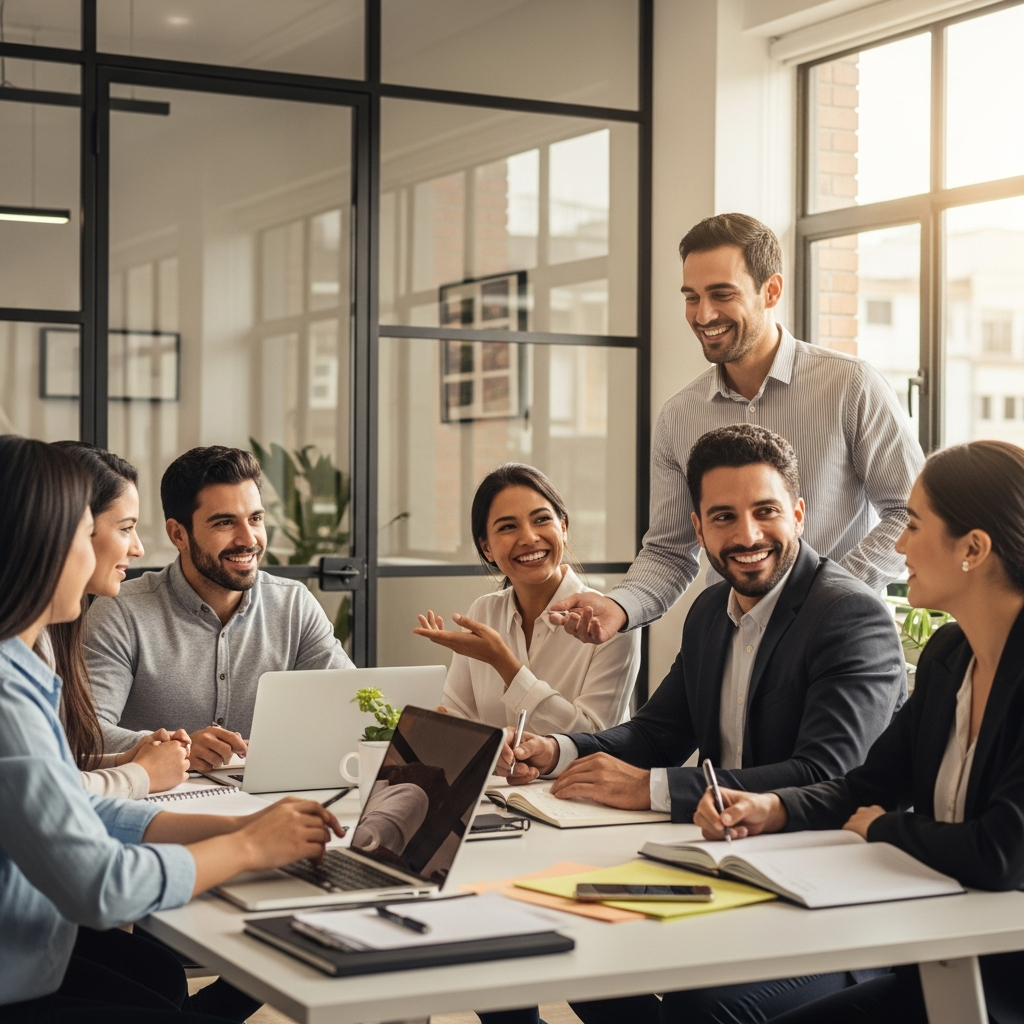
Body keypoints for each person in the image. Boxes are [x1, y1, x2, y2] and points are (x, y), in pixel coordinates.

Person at [501, 425, 907, 1024]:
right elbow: (657, 733)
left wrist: (651, 788)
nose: (746, 536)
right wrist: (556, 749)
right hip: (726, 867)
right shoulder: (709, 614)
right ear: (697, 528)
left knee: (695, 1011)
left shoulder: (850, 615)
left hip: (830, 897)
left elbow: (827, 773)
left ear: (797, 513)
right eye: (723, 517)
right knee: (564, 941)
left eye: (765, 512)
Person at [0, 435, 344, 1021]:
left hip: (33, 943)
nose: (131, 549)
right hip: (17, 964)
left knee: (159, 975)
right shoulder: (11, 690)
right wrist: (245, 846)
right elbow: (99, 884)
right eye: (96, 531)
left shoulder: (22, 665)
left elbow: (70, 805)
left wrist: (244, 830)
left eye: (256, 518)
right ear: (41, 543)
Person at [691, 440, 1024, 1024]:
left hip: (1005, 979)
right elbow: (863, 786)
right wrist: (770, 808)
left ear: (973, 548)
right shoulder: (950, 656)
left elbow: (1001, 853)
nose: (898, 544)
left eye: (914, 524)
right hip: (940, 956)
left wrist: (885, 828)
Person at [548, 213, 924, 645]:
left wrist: (829, 598)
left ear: (772, 291)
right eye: (692, 297)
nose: (703, 314)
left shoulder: (849, 385)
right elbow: (671, 550)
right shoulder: (678, 416)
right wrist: (619, 606)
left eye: (722, 294)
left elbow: (910, 513)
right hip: (728, 645)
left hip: (833, 640)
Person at [85, 446, 354, 771]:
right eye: (225, 523)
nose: (248, 539)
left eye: (255, 519)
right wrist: (176, 748)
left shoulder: (293, 605)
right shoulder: (121, 612)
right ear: (178, 534)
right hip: (160, 804)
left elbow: (351, 706)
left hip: (267, 797)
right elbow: (88, 734)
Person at [412, 463, 640, 742]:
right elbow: (459, 715)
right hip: (497, 785)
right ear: (487, 548)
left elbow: (597, 738)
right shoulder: (483, 612)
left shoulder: (608, 621)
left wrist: (505, 664)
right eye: (508, 527)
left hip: (576, 784)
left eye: (542, 520)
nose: (529, 538)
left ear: (564, 527)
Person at [42, 441, 189, 799]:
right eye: (125, 528)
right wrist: (140, 775)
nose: (138, 548)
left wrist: (124, 758)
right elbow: (43, 794)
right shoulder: (16, 653)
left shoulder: (52, 632)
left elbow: (43, 765)